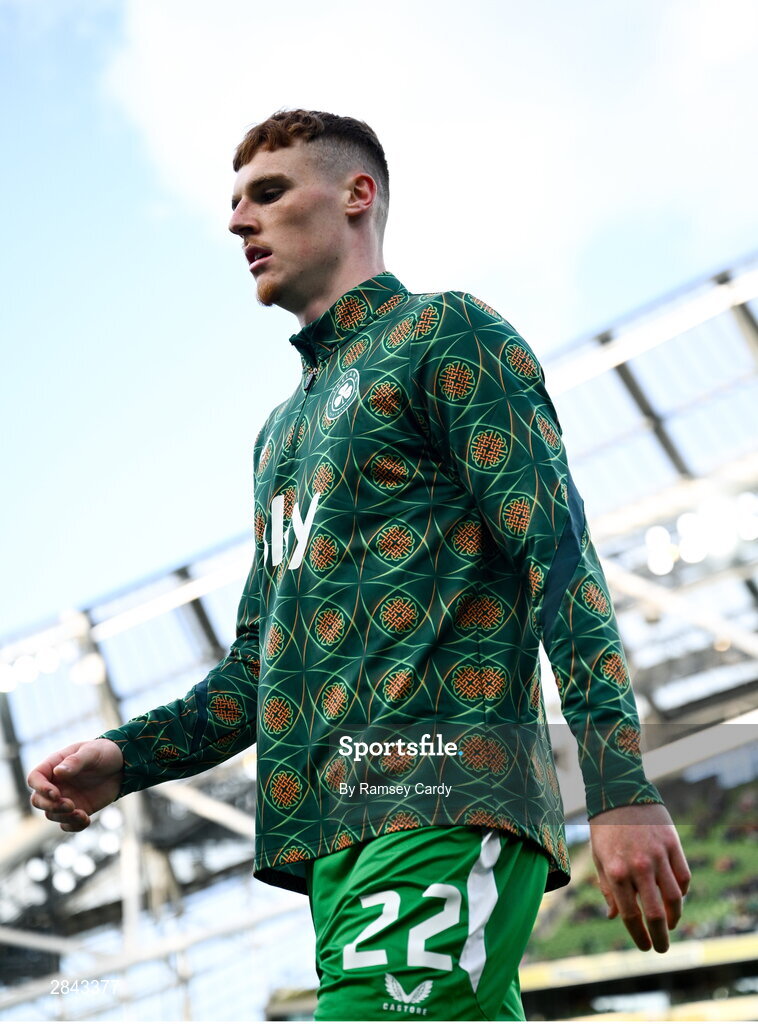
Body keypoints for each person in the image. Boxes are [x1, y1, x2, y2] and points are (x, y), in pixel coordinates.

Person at [28, 109, 690, 1021]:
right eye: (233, 203)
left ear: (356, 195)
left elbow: (558, 554)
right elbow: (256, 672)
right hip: (338, 842)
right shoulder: (280, 436)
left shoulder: (445, 336)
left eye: (266, 193)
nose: (236, 223)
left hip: (438, 793)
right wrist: (126, 758)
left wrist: (619, 786)